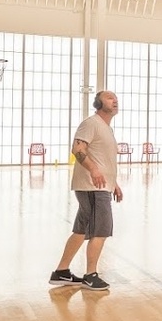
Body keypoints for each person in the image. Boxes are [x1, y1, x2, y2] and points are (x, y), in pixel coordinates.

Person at [50, 90, 123, 290]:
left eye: (115, 98)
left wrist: (113, 182)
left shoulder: (107, 128)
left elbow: (102, 159)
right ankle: (91, 275)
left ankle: (61, 272)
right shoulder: (91, 123)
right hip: (92, 188)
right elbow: (78, 149)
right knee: (100, 230)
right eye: (109, 97)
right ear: (98, 103)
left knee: (82, 230)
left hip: (100, 186)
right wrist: (93, 170)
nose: (114, 100)